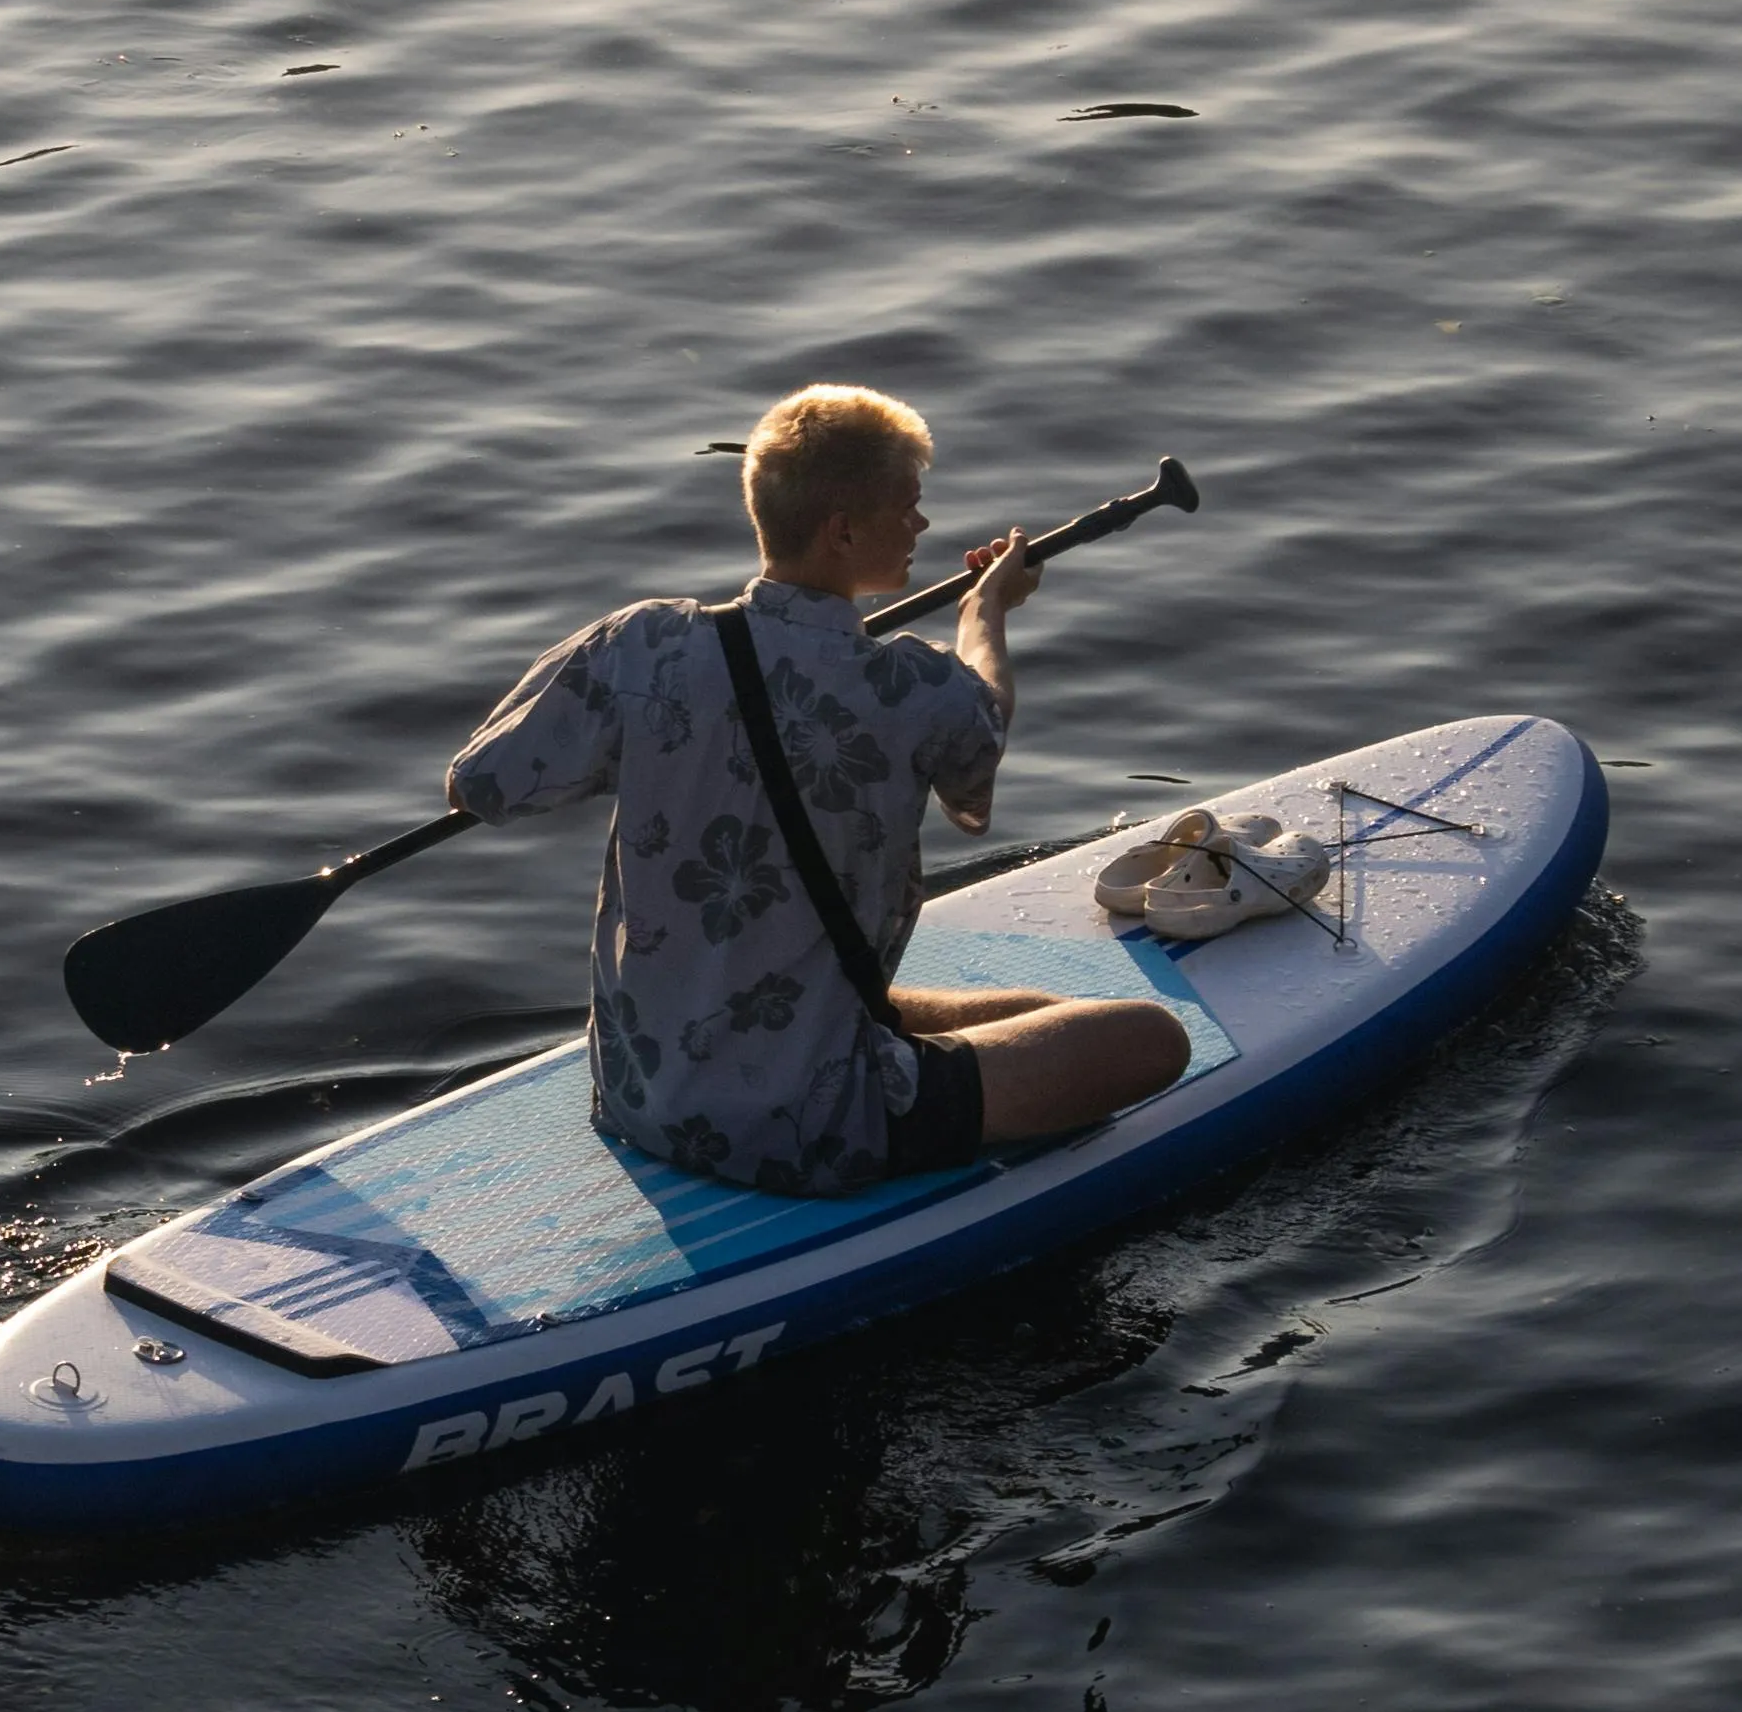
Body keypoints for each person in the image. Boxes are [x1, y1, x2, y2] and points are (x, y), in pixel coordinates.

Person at [446, 384, 1192, 1198]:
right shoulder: (910, 684)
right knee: (1146, 1038)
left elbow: (482, 785)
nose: (922, 526)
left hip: (636, 1090)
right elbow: (980, 738)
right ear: (842, 530)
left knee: (1032, 1008)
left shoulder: (643, 643)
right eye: (907, 507)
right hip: (801, 1125)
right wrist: (986, 614)